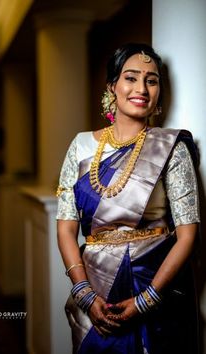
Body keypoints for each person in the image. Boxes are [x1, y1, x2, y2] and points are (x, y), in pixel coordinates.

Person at [56, 43, 201, 354]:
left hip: (154, 285)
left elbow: (188, 236)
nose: (142, 89)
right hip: (94, 281)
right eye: (131, 78)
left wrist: (146, 299)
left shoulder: (171, 148)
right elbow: (66, 229)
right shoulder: (81, 146)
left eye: (152, 80)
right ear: (113, 87)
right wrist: (84, 293)